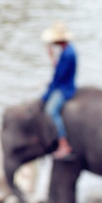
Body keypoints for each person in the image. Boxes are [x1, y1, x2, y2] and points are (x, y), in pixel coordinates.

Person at [41, 21, 77, 160]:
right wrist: (52, 57)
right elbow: (60, 71)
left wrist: (47, 94)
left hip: (64, 88)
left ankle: (64, 144)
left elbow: (58, 77)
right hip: (65, 84)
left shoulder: (67, 54)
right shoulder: (68, 50)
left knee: (51, 111)